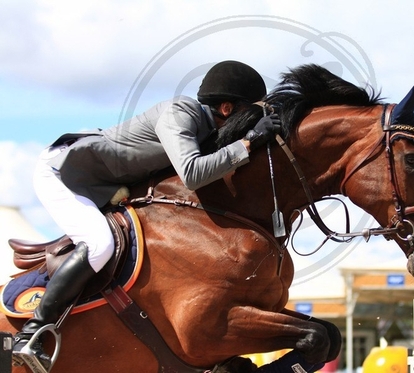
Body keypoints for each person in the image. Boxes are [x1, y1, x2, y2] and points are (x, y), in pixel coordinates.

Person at [12, 60, 281, 369]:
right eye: (248, 113)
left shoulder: (206, 131)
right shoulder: (181, 112)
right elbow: (193, 173)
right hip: (63, 173)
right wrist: (248, 143)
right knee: (100, 244)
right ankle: (32, 334)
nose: (250, 123)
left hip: (101, 184)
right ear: (225, 108)